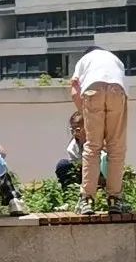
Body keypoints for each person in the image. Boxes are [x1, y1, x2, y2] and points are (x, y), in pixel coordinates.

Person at [70, 47, 129, 216]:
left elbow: (74, 90)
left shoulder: (84, 61)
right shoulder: (115, 59)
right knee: (116, 148)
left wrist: (86, 115)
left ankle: (87, 200)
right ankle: (114, 200)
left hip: (92, 90)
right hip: (117, 91)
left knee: (92, 146)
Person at [55, 111, 108, 190]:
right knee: (63, 165)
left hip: (101, 173)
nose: (75, 134)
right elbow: (76, 164)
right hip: (84, 173)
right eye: (72, 130)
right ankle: (70, 192)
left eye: (78, 130)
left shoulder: (100, 141)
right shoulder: (73, 147)